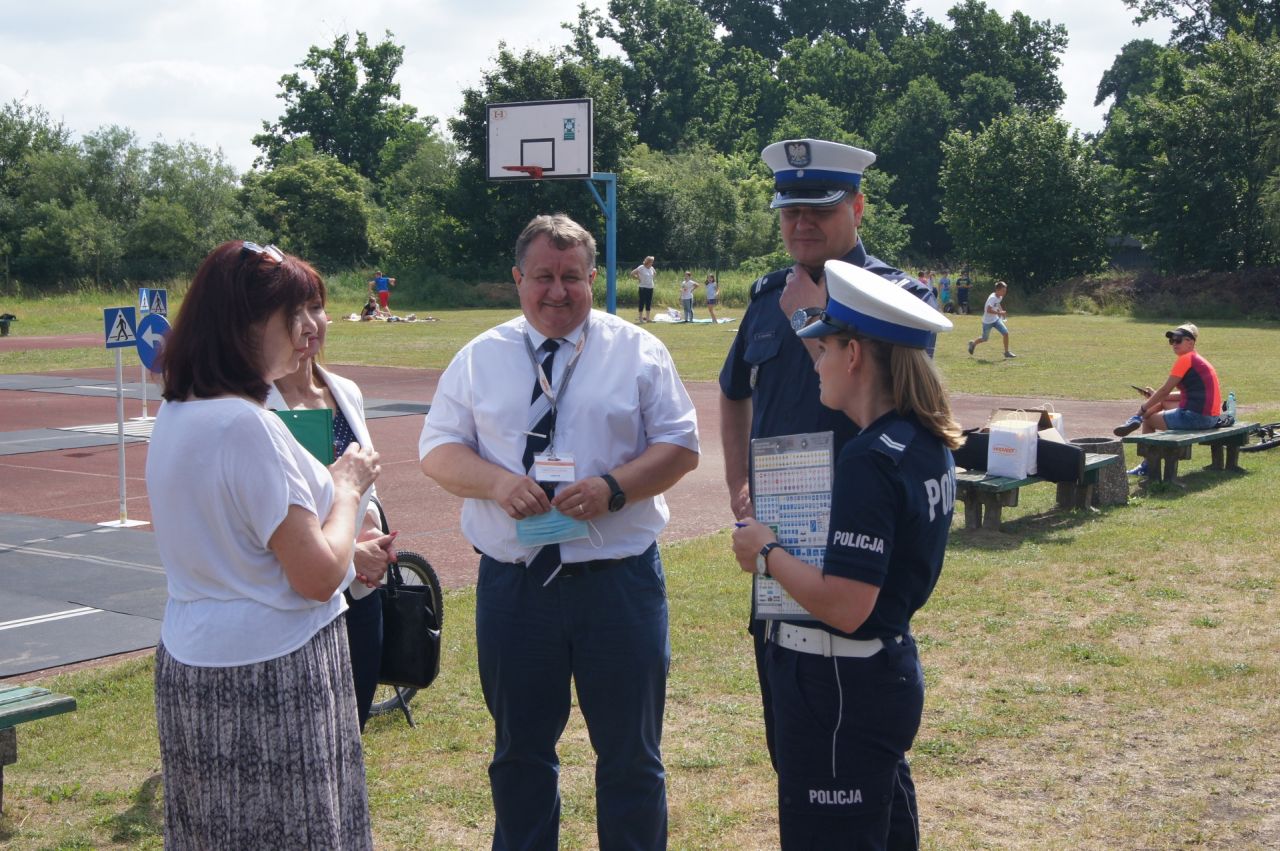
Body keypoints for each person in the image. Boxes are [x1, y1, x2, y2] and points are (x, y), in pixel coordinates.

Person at [420, 214, 700, 850]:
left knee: (631, 756)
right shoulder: (479, 358)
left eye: (571, 276)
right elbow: (438, 450)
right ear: (517, 278)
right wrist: (497, 483)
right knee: (519, 754)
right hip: (517, 588)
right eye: (542, 276)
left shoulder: (637, 351)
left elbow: (681, 446)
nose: (557, 291)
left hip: (619, 586)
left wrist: (613, 488)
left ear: (592, 279)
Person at [719, 137, 938, 850]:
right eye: (790, 211)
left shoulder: (893, 298)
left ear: (858, 207)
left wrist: (812, 319)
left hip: (852, 549)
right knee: (801, 746)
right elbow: (733, 391)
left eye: (818, 208)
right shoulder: (766, 296)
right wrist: (737, 484)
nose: (801, 223)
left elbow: (890, 394)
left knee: (850, 754)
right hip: (781, 542)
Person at [147, 240, 384, 848]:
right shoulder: (248, 426)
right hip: (274, 672)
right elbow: (316, 576)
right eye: (290, 315)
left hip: (192, 661)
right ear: (244, 325)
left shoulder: (177, 413)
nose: (308, 330)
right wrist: (347, 489)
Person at [268, 298, 395, 730]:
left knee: (353, 728)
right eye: (292, 311)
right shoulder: (258, 407)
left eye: (316, 307)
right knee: (310, 734)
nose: (308, 323)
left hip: (358, 593)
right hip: (299, 599)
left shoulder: (345, 390)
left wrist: (371, 532)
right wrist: (351, 555)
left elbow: (364, 481)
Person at [1114, 323, 1223, 475]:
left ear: (1190, 342)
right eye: (1172, 341)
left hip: (1197, 418)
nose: (1174, 344)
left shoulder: (1186, 359)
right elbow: (1184, 394)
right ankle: (1136, 421)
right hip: (1211, 418)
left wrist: (1142, 409)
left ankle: (1148, 463)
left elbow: (1165, 390)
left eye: (1178, 340)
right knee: (1163, 401)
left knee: (1148, 419)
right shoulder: (1198, 359)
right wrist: (1156, 396)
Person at [967, 281, 1015, 358]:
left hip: (996, 320)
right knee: (984, 339)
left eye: (1005, 290)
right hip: (987, 322)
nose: (1005, 292)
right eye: (1003, 291)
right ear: (997, 290)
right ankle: (973, 344)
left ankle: (1006, 352)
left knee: (1005, 333)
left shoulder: (1000, 296)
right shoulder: (992, 298)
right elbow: (988, 310)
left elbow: (997, 304)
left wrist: (1001, 311)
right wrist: (999, 313)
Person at [632, 255, 657, 322]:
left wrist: (651, 279)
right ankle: (640, 318)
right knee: (642, 302)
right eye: (651, 261)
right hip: (643, 288)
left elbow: (655, 273)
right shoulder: (641, 267)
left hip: (650, 287)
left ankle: (647, 318)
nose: (652, 263)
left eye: (652, 262)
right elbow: (632, 273)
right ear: (648, 261)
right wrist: (638, 278)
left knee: (648, 302)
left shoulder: (652, 268)